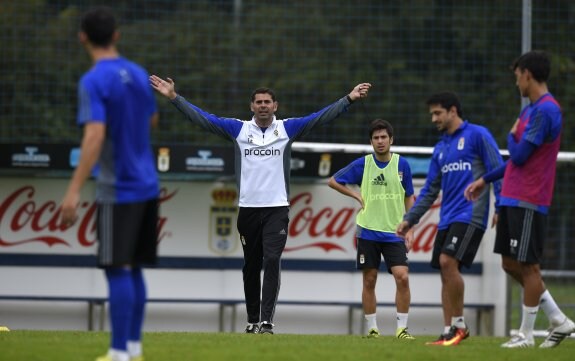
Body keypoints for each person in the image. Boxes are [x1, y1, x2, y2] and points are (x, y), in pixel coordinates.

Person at [150, 75, 371, 335]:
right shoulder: (239, 130)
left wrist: (349, 99)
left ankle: (267, 321)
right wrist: (175, 98)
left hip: (277, 208)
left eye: (268, 102)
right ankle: (252, 320)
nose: (263, 105)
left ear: (275, 106)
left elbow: (320, 117)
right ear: (251, 106)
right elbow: (205, 120)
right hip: (248, 209)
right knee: (251, 266)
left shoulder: (287, 128)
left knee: (273, 259)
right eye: (259, 102)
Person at [60, 7, 159, 361]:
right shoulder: (136, 73)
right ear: (116, 35)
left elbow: (94, 136)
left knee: (117, 267)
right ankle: (133, 348)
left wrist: (73, 190)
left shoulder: (92, 80)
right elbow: (152, 119)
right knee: (133, 267)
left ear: (82, 36)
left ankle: (118, 354)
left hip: (118, 190)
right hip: (148, 184)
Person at [465, 50, 574, 348]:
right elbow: (515, 161)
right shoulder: (530, 110)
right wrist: (485, 180)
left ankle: (526, 334)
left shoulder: (546, 111)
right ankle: (558, 319)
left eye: (517, 77)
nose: (516, 84)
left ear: (527, 74)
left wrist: (510, 138)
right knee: (510, 264)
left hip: (529, 198)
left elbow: (521, 154)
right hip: (512, 199)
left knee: (528, 266)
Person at [396, 92, 504, 346]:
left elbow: (497, 169)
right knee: (445, 271)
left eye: (437, 113)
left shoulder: (478, 135)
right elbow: (431, 190)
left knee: (447, 261)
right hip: (447, 218)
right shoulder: (441, 148)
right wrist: (410, 219)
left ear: (453, 111)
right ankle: (449, 332)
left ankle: (459, 325)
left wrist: (500, 204)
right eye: (432, 114)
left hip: (471, 214)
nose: (433, 118)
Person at [328, 119, 416, 340]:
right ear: (371, 141)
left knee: (402, 277)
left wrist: (411, 226)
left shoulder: (402, 164)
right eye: (376, 138)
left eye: (383, 137)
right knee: (369, 279)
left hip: (394, 232)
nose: (380, 141)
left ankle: (402, 329)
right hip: (368, 231)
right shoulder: (363, 164)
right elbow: (333, 181)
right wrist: (355, 194)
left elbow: (409, 197)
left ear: (391, 139)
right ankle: (372, 329)